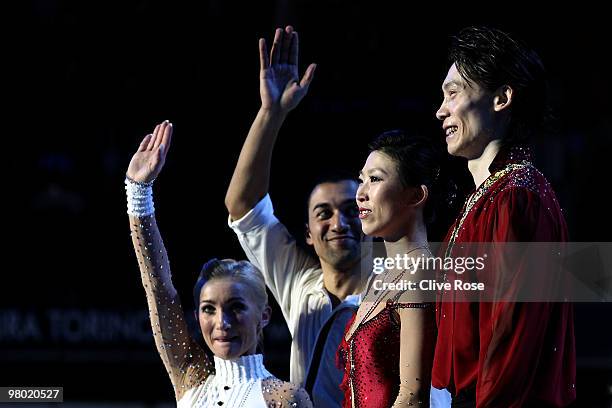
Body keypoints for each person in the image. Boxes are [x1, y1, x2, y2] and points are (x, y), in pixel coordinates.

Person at [432, 26, 576, 407]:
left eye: (453, 92)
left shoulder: (515, 198)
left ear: (501, 98)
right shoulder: (485, 200)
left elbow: (512, 335)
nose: (440, 110)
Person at [225, 26, 367, 407]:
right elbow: (243, 204)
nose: (339, 222)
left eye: (352, 210)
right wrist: (271, 113)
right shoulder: (297, 282)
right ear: (308, 232)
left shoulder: (398, 286)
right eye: (325, 213)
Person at [125, 120, 312, 407]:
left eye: (236, 307)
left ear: (264, 315)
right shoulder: (191, 377)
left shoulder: (284, 398)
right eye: (208, 309)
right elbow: (159, 289)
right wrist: (139, 193)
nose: (221, 323)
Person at [337, 130, 439, 407]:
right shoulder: (380, 276)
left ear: (416, 195)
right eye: (362, 180)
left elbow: (412, 395)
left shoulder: (421, 272)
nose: (360, 194)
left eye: (375, 179)